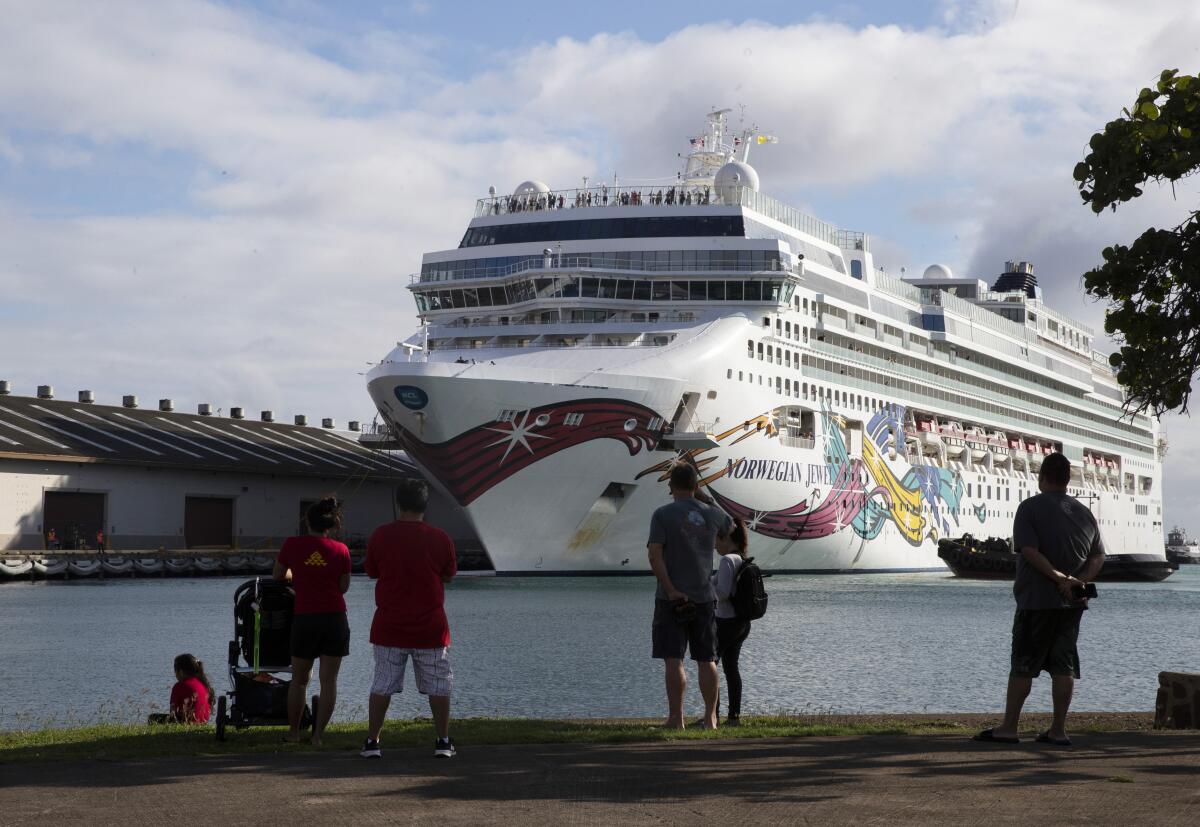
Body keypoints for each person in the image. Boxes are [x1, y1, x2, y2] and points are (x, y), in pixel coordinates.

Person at [975, 452, 1105, 747]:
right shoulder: (1085, 513)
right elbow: (1098, 556)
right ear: (1068, 479)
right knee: (1064, 667)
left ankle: (1009, 728)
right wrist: (1077, 581)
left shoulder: (1029, 508)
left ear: (1041, 477)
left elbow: (1030, 552)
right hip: (1072, 605)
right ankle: (1058, 730)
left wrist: (1059, 579)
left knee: (1023, 665)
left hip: (1036, 601)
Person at [361, 479, 457, 759]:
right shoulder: (440, 537)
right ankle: (442, 740)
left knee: (382, 684)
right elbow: (449, 575)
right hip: (431, 627)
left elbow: (371, 571)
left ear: (398, 504)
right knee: (439, 684)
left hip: (389, 626)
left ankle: (372, 741)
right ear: (425, 505)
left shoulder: (380, 535)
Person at [647, 463, 732, 729]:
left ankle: (676, 718)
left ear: (671, 486)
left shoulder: (662, 514)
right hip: (704, 597)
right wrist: (704, 498)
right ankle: (711, 718)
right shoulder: (712, 515)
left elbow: (654, 554)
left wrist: (671, 589)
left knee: (674, 658)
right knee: (707, 659)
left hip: (672, 597)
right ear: (695, 486)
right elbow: (731, 525)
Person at [273, 497, 352, 746]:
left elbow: (278, 575)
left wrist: (296, 573)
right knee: (329, 681)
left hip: (305, 618)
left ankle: (294, 733)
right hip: (334, 619)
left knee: (299, 680)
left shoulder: (292, 545)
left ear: (307, 521)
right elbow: (343, 587)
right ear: (330, 525)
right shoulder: (341, 550)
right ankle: (317, 736)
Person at [713, 516, 752, 726]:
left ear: (726, 537)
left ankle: (712, 715)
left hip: (725, 621)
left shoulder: (727, 560)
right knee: (731, 668)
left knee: (710, 665)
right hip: (742, 622)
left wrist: (705, 589)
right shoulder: (742, 558)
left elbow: (723, 593)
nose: (714, 544)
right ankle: (734, 716)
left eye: (716, 539)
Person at [148, 653, 214, 724]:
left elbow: (172, 713)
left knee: (153, 717)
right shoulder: (203, 684)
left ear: (181, 672)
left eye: (175, 671)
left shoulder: (179, 686)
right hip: (203, 723)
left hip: (187, 723)